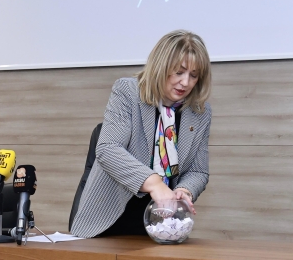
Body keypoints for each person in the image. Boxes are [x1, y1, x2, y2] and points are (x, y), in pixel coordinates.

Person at [70, 30, 212, 238]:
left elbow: (198, 171)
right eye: (179, 72)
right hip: (109, 221)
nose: (185, 82)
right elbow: (108, 149)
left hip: (163, 224)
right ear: (161, 66)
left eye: (193, 75)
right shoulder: (128, 92)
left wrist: (184, 191)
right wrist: (154, 183)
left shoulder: (199, 112)